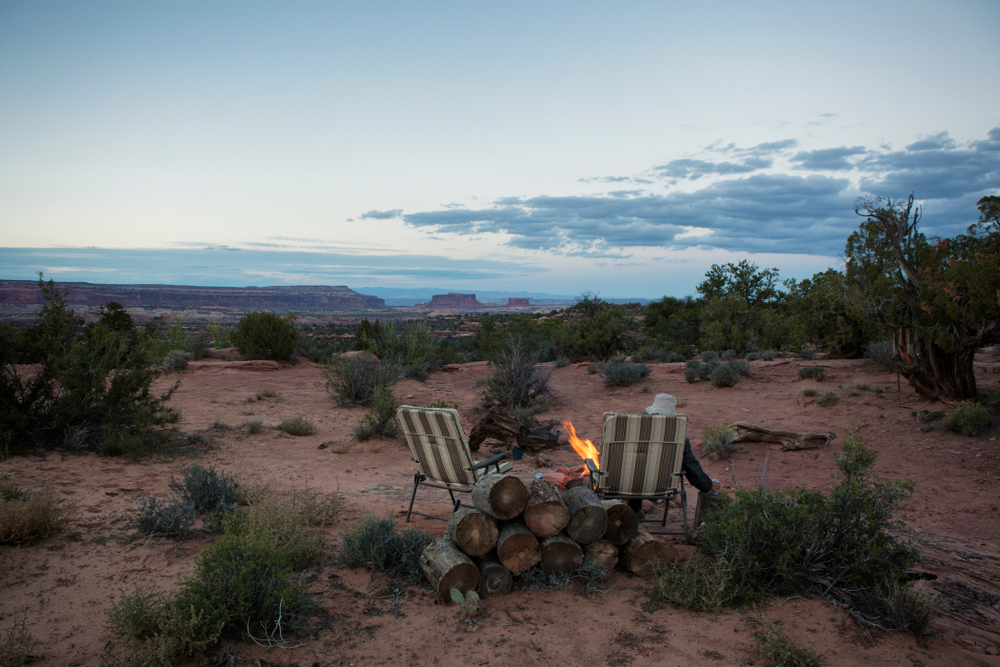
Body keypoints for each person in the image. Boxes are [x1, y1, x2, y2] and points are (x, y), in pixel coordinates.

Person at [629, 393, 720, 517]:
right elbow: (691, 467)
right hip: (662, 486)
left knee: (638, 469)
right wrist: (707, 485)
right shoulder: (679, 440)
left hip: (629, 484)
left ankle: (633, 510)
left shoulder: (631, 435)